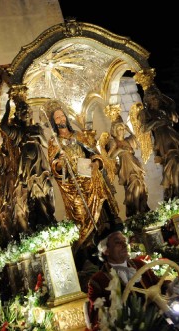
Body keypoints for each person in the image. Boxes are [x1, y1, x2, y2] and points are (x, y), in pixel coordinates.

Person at [45, 101, 120, 250]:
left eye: (62, 116)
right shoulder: (54, 142)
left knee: (99, 201)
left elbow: (93, 153)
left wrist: (96, 163)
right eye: (57, 118)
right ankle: (88, 245)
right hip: (71, 182)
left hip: (86, 172)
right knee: (81, 214)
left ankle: (106, 231)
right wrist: (60, 162)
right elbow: (54, 167)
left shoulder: (78, 135)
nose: (61, 119)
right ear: (54, 122)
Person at [86, 230, 179, 330]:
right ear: (106, 251)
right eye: (117, 242)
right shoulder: (97, 281)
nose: (124, 245)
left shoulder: (139, 264)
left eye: (124, 241)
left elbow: (158, 285)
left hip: (156, 323)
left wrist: (171, 288)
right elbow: (98, 318)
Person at [0, 98, 56, 233]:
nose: (26, 113)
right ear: (18, 115)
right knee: (35, 191)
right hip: (28, 166)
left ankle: (50, 216)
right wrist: (7, 111)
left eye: (27, 110)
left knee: (47, 189)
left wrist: (37, 136)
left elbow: (46, 145)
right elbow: (3, 127)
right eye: (22, 111)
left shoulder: (36, 128)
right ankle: (43, 221)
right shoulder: (19, 131)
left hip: (40, 163)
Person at [104, 118, 149, 218]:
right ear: (115, 131)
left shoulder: (128, 140)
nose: (122, 130)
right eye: (119, 129)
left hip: (135, 164)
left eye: (123, 128)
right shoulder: (114, 142)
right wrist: (119, 150)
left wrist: (129, 129)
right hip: (126, 167)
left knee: (141, 186)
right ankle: (135, 210)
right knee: (135, 185)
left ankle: (142, 209)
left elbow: (137, 138)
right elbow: (109, 156)